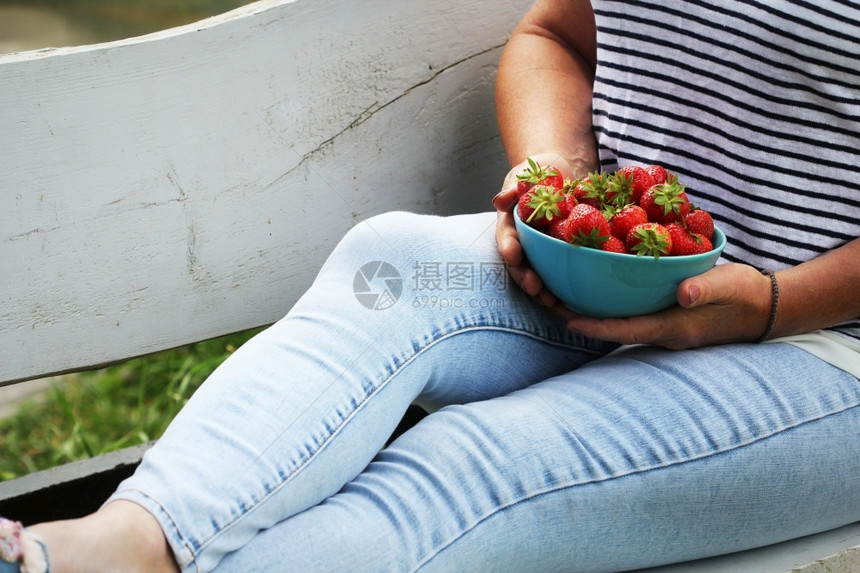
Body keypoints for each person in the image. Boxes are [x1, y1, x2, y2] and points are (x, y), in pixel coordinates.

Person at [3, 0, 858, 571]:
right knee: (396, 265)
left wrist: (775, 303)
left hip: (820, 342)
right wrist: (553, 177)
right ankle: (116, 544)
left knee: (473, 462)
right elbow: (556, 34)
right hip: (617, 264)